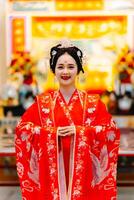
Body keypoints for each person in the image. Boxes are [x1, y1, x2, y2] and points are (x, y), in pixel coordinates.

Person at [15, 41, 120, 200]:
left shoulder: (93, 104)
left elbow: (110, 130)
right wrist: (51, 133)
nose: (65, 71)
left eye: (71, 67)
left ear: (79, 69)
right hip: (51, 173)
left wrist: (81, 132)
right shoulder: (42, 104)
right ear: (53, 70)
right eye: (60, 67)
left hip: (83, 173)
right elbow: (22, 129)